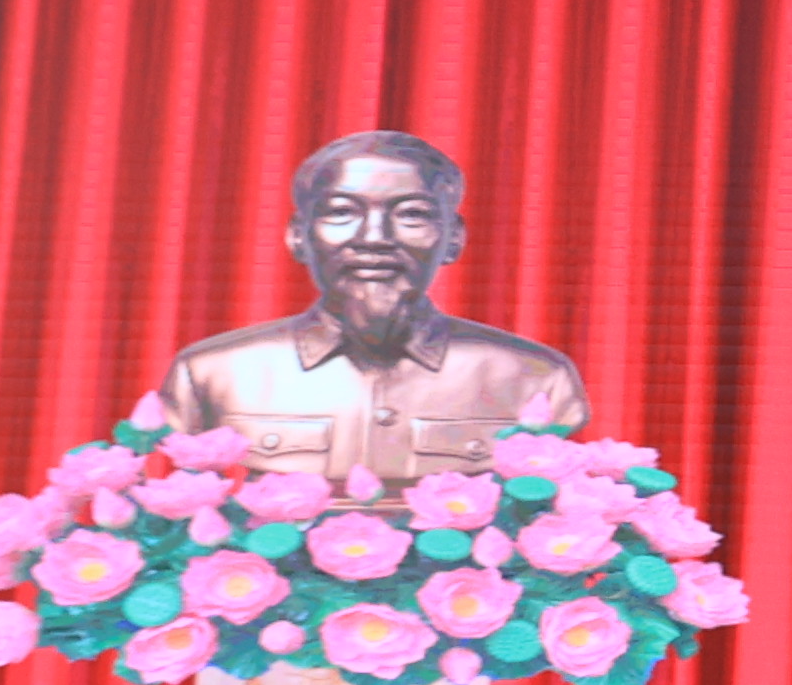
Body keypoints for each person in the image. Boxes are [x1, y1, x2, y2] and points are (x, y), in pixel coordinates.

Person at [143, 132, 591, 485]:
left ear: (453, 237)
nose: (374, 238)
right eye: (342, 212)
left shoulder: (535, 378)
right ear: (298, 235)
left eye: (411, 214)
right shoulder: (211, 373)